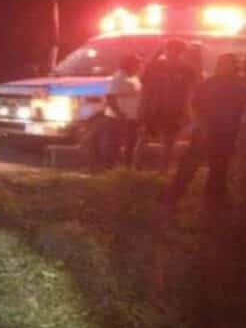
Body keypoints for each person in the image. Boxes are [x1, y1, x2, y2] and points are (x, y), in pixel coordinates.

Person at [162, 53, 246, 215]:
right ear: (220, 65)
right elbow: (194, 105)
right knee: (188, 167)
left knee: (219, 170)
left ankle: (212, 205)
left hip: (227, 134)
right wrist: (201, 125)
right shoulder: (209, 83)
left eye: (234, 64)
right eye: (228, 64)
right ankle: (171, 199)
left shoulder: (240, 85)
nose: (232, 67)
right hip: (204, 132)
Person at [136, 39, 199, 171]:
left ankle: (162, 171)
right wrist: (156, 52)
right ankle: (135, 169)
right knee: (143, 139)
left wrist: (187, 111)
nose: (171, 53)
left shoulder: (186, 69)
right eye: (168, 49)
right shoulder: (156, 66)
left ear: (181, 52)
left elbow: (192, 89)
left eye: (175, 50)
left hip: (173, 111)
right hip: (153, 109)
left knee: (168, 142)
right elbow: (142, 78)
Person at [105, 54, 143, 166]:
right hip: (119, 117)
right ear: (129, 64)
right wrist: (119, 113)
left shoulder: (134, 77)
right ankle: (111, 166)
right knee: (116, 143)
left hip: (132, 117)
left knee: (131, 142)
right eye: (137, 63)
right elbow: (110, 97)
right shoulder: (119, 77)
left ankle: (127, 165)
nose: (139, 66)